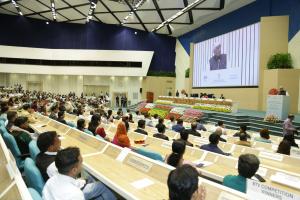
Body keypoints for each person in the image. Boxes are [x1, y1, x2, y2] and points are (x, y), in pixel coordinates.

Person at [42, 147, 116, 200]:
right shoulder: (75, 195)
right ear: (74, 170)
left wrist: (84, 181)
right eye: (81, 163)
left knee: (90, 179)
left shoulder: (50, 181)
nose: (82, 165)